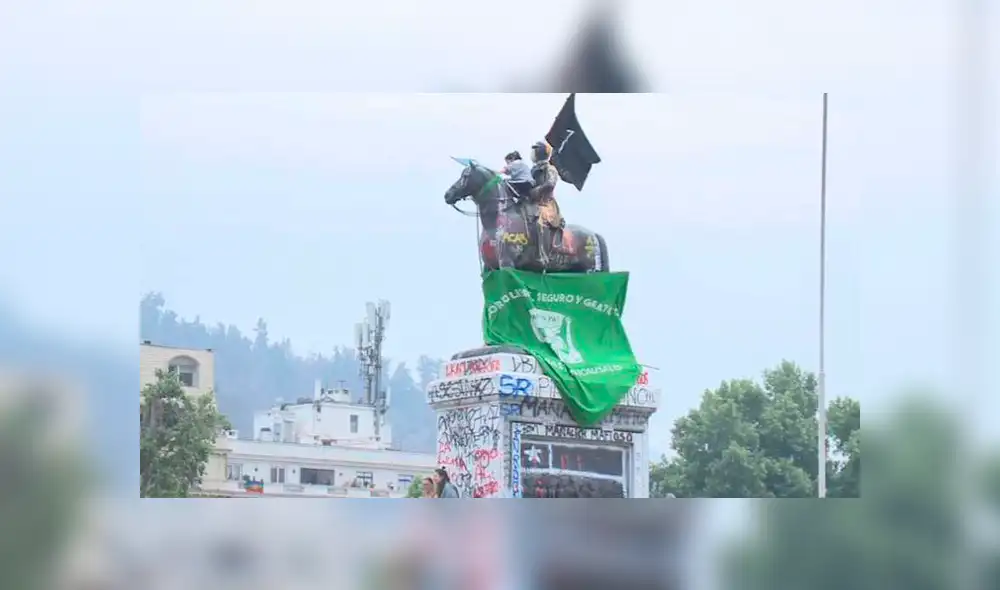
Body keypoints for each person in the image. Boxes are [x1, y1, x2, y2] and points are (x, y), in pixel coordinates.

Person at [528, 140, 565, 253]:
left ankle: (542, 253)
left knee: (538, 222)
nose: (532, 153)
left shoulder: (550, 169)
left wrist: (535, 191)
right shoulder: (532, 170)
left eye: (534, 151)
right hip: (532, 202)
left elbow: (550, 184)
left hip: (546, 204)